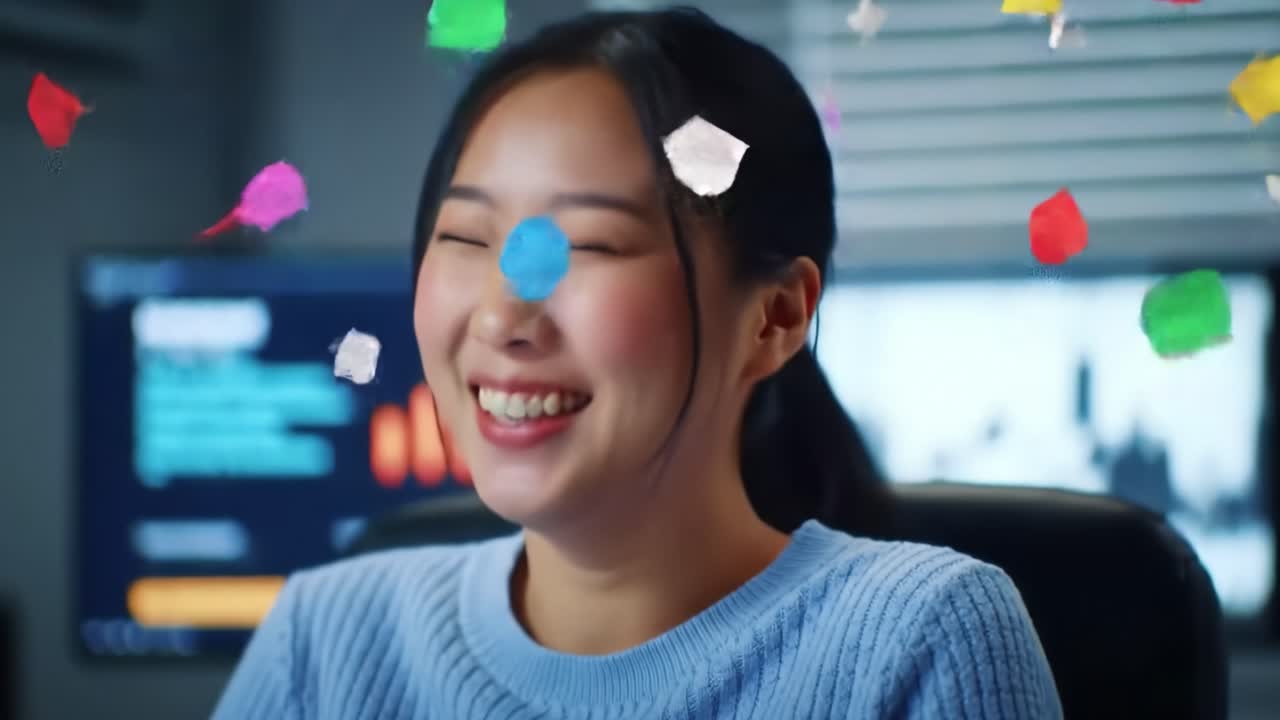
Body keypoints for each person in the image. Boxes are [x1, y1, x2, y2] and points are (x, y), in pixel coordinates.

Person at [213, 7, 1062, 719]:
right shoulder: (324, 642)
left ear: (774, 316)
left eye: (589, 245)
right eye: (468, 238)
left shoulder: (919, 638)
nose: (504, 315)